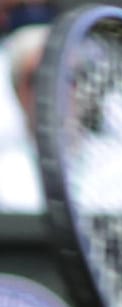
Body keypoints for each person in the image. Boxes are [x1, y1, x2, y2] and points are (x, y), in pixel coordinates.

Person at [0, 22, 46, 213]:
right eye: (36, 79)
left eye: (71, 78)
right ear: (17, 88)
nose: (50, 90)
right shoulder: (6, 174)